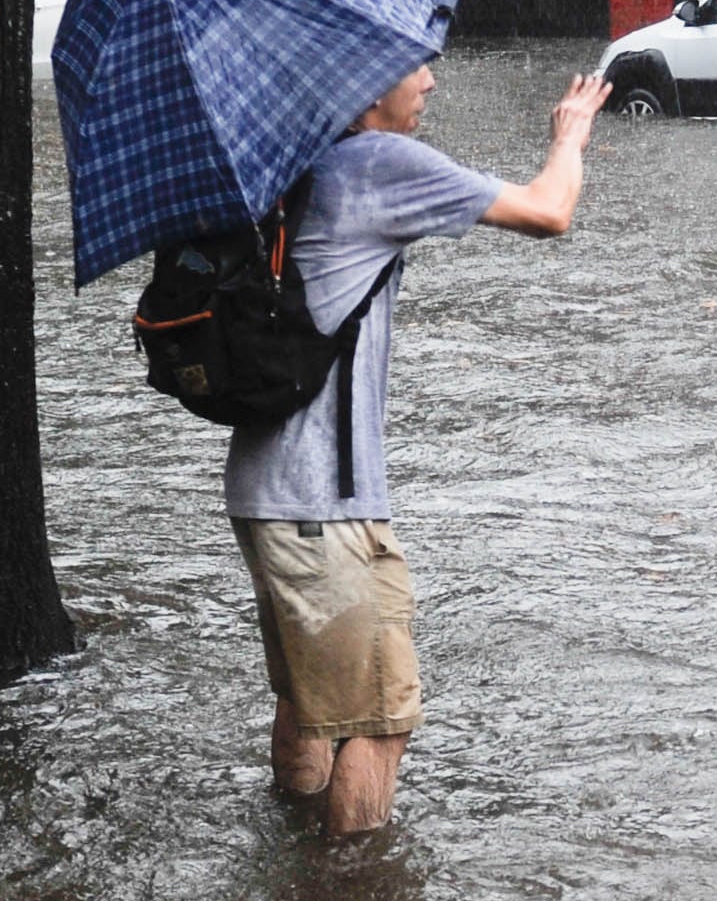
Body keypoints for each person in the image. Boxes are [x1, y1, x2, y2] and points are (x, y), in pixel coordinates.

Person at [231, 60, 605, 836]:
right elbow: (548, 211)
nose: (431, 79)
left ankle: (294, 849)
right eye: (413, 66)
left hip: (263, 489)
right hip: (325, 506)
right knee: (379, 719)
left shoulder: (292, 164)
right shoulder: (377, 161)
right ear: (366, 90)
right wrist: (570, 138)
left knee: (306, 699)